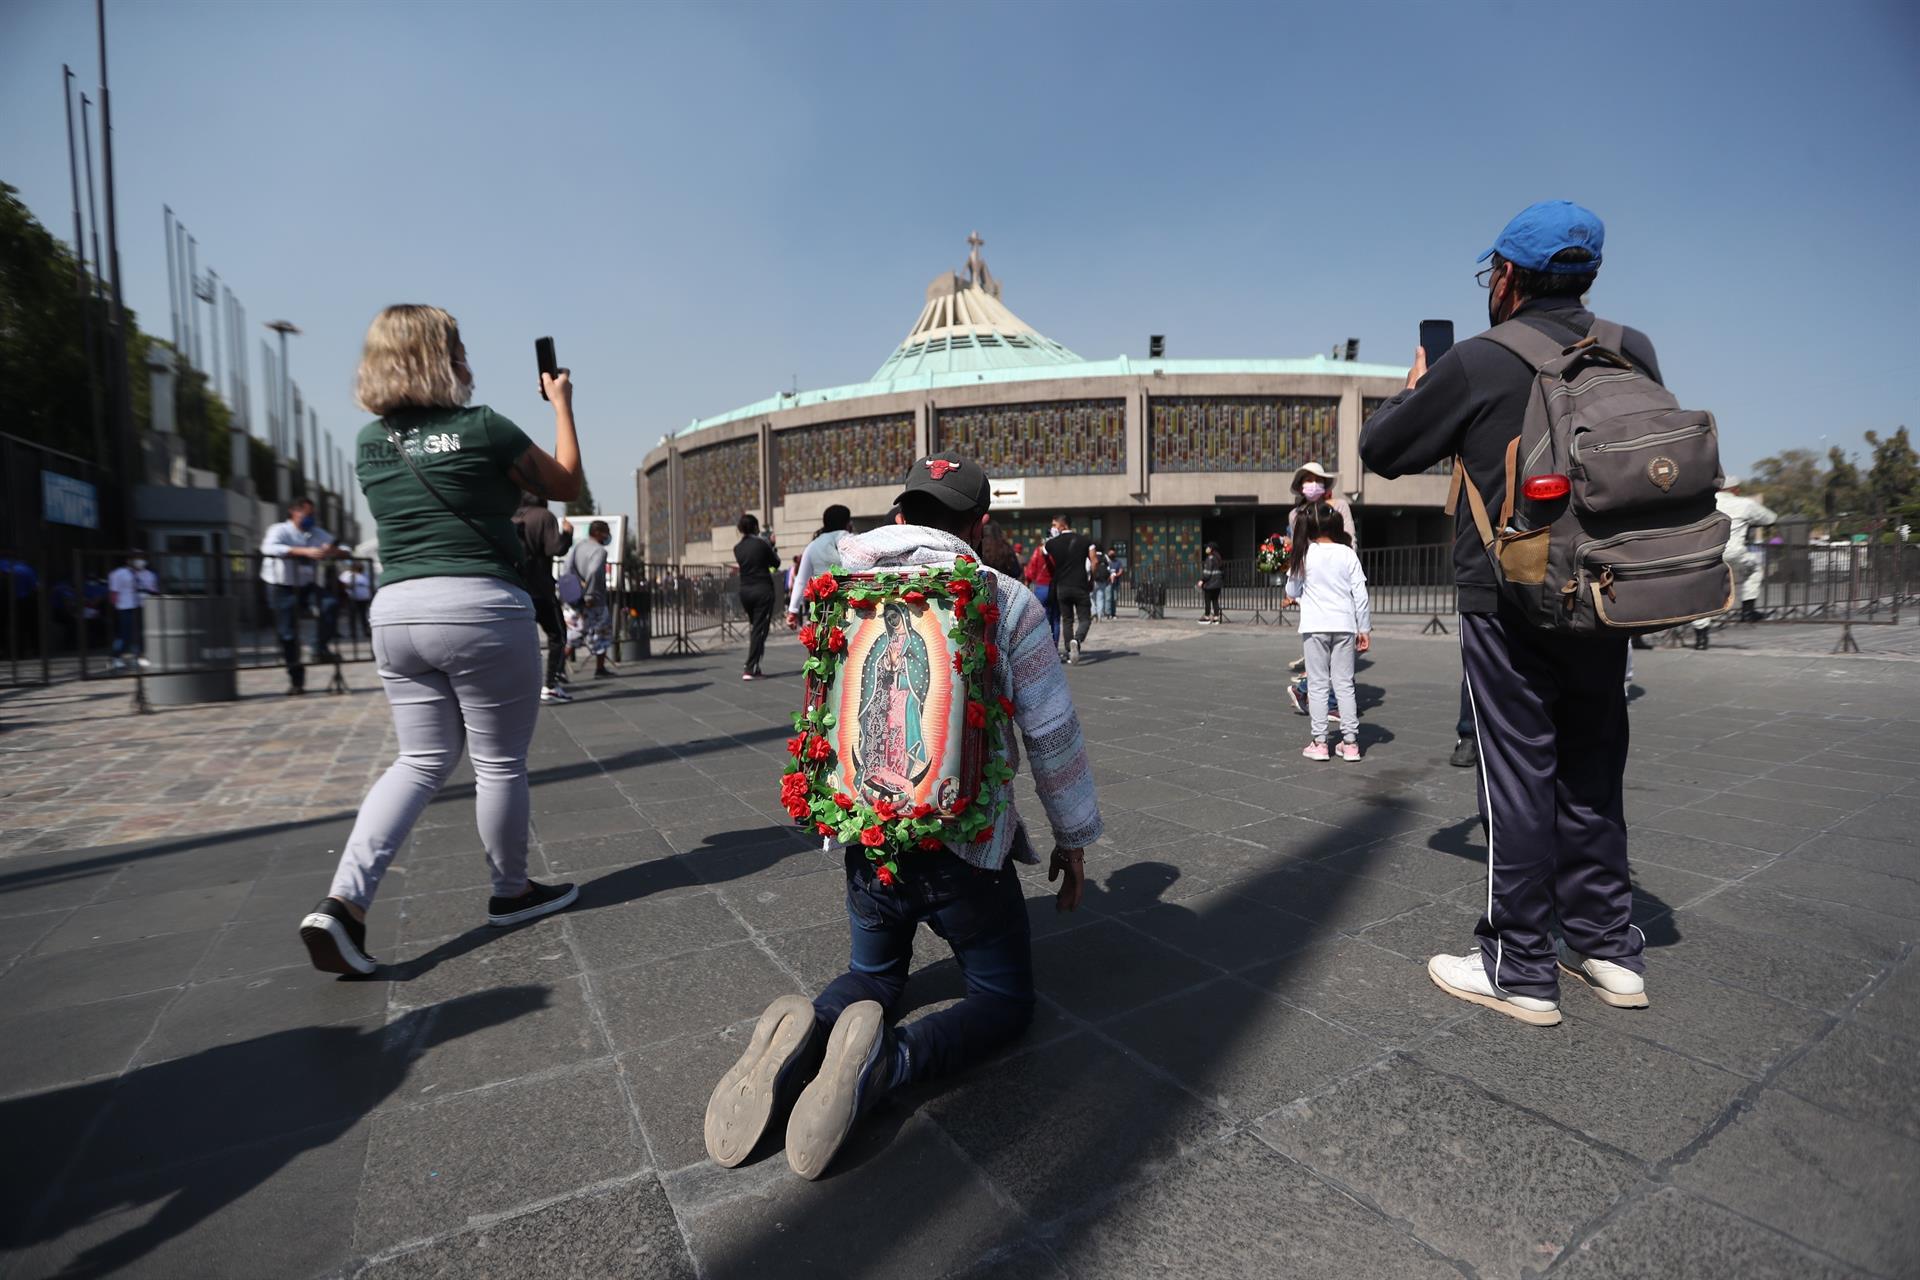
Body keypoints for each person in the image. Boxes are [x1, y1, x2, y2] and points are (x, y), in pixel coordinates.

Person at [703, 452, 1102, 1180]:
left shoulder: (843, 586)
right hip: (965, 850)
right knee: (1004, 999)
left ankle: (806, 1039)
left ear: (898, 516)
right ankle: (889, 1063)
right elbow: (1051, 733)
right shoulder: (1003, 598)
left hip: (868, 841)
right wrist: (1073, 839)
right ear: (978, 527)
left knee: (873, 976)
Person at [1360, 199, 1655, 1026]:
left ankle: (1519, 964)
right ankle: (1607, 945)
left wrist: (1415, 390)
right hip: (1606, 590)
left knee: (1518, 770)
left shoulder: (1483, 359)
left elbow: (1381, 452)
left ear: (1508, 278)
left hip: (1509, 595)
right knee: (1594, 758)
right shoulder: (1633, 351)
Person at [297, 304, 584, 976]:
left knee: (420, 761)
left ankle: (343, 904)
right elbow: (567, 484)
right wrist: (561, 402)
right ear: (440, 355)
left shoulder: (372, 441)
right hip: (478, 605)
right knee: (498, 762)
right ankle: (511, 891)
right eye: (456, 345)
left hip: (395, 611)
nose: (466, 356)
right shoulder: (482, 427)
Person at [1282, 503, 1371, 762]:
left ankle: (1320, 743)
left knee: (1319, 685)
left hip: (1314, 626)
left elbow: (1291, 591)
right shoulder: (1347, 553)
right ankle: (1351, 744)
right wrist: (1363, 627)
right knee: (1345, 684)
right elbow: (1361, 594)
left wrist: (1300, 596)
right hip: (1345, 625)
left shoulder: (1304, 554)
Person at [260, 498, 344, 694]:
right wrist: (304, 551)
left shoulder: (315, 532)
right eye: (307, 514)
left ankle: (319, 648)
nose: (311, 518)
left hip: (306, 584)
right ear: (294, 512)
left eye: (313, 514)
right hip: (281, 586)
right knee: (288, 633)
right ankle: (296, 680)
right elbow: (269, 548)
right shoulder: (279, 529)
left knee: (330, 604)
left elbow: (344, 549)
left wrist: (332, 551)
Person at [1691, 477, 1777, 648]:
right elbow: (1770, 518)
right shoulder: (1744, 504)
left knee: (1705, 591)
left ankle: (1701, 637)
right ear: (1735, 490)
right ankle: (1748, 610)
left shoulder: (1705, 504)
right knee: (1754, 569)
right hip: (1734, 552)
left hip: (1707, 554)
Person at [514, 494, 574, 703]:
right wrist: (567, 534)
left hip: (516, 588)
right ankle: (550, 684)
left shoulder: (513, 516)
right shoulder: (543, 516)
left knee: (520, 640)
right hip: (540, 588)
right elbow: (555, 548)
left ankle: (520, 685)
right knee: (557, 634)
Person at [785, 504, 854, 629]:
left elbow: (801, 580)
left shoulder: (813, 546)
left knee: (825, 642)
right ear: (848, 523)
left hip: (823, 610)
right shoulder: (853, 540)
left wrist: (793, 610)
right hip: (852, 608)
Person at [563, 520, 616, 677]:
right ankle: (600, 669)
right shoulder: (600, 551)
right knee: (602, 633)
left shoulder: (578, 546)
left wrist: (573, 589)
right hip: (595, 600)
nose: (608, 535)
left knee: (573, 634)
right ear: (598, 533)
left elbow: (567, 568)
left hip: (575, 598)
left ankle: (558, 669)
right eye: (606, 531)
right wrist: (590, 594)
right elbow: (594, 572)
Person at [734, 512, 780, 679]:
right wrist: (772, 545)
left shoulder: (737, 548)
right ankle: (750, 666)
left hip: (745, 591)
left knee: (756, 627)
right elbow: (776, 562)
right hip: (762, 589)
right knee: (760, 629)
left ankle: (756, 666)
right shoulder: (762, 544)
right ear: (755, 527)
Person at [1046, 514, 1093, 664]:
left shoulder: (1052, 544)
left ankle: (1068, 650)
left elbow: (1044, 552)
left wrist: (1051, 538)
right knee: (1085, 618)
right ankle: (1077, 640)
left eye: (1055, 525)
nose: (1053, 528)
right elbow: (1095, 560)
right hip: (1080, 584)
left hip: (1062, 586)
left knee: (1067, 619)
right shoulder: (1085, 540)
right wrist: (1092, 578)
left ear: (1063, 525)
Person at [105, 552, 157, 670]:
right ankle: (115, 657)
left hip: (144, 605)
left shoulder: (149, 574)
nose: (140, 561)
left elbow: (153, 590)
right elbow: (113, 592)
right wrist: (114, 607)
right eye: (137, 559)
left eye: (142, 558)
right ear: (129, 560)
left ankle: (139, 656)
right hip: (125, 606)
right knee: (125, 634)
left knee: (141, 634)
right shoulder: (118, 573)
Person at [1023, 527, 1059, 646]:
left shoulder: (1038, 551)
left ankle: (1044, 648)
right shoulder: (1058, 551)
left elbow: (1030, 570)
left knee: (1042, 621)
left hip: (1041, 588)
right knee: (1056, 620)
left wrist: (1027, 582)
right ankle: (1055, 647)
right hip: (1056, 588)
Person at [338, 560, 376, 643]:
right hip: (352, 598)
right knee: (352, 616)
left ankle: (366, 632)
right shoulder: (347, 574)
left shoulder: (365, 574)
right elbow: (341, 584)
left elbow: (370, 585)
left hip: (364, 599)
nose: (361, 567)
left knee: (363, 616)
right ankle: (353, 633)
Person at [1197, 543, 1225, 624]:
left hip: (1210, 584)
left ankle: (1207, 617)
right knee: (1215, 600)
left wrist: (1202, 580)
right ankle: (1216, 618)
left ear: (1211, 549)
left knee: (1207, 600)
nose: (1206, 549)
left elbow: (1207, 572)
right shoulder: (1218, 558)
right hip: (1218, 584)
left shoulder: (1210, 558)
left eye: (1208, 547)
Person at [1104, 544, 1128, 617]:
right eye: (1110, 553)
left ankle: (1113, 613)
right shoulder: (1106, 561)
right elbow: (1103, 570)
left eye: (1113, 553)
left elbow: (1121, 570)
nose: (1112, 554)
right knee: (1108, 598)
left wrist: (1116, 575)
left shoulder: (1118, 562)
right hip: (1108, 582)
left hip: (1116, 582)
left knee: (1114, 598)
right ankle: (1107, 613)